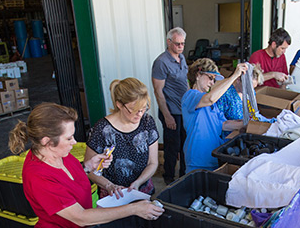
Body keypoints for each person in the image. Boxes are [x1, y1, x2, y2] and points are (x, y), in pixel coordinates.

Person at [10, 104, 164, 228]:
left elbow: (67, 181)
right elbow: (81, 217)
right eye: (69, 138)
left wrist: (88, 166)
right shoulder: (38, 176)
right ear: (47, 141)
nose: (74, 142)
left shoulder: (61, 154)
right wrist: (134, 209)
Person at [85, 78, 159, 197]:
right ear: (119, 105)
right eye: (134, 110)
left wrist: (138, 182)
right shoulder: (102, 129)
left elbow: (153, 162)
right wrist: (110, 186)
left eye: (144, 108)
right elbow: (90, 170)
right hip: (114, 195)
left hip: (142, 189)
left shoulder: (147, 122)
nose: (140, 114)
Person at [181, 59, 247, 173]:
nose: (212, 83)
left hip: (213, 158)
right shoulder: (190, 96)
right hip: (197, 160)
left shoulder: (213, 106)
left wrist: (247, 124)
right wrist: (234, 77)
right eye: (210, 78)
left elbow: (224, 125)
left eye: (214, 80)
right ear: (198, 75)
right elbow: (210, 99)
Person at [152, 27, 189, 184]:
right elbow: (158, 92)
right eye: (177, 43)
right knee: (172, 148)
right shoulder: (161, 62)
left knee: (185, 146)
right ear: (169, 42)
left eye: (183, 43)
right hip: (171, 112)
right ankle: (169, 179)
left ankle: (184, 176)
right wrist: (167, 116)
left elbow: (185, 82)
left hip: (184, 111)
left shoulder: (182, 58)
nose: (180, 46)